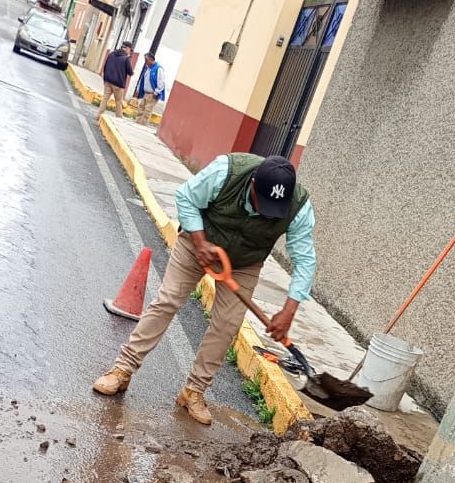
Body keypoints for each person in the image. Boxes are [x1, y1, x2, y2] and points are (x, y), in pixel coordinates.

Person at [93, 153, 316, 425]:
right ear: (252, 184)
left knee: (227, 324)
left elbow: (305, 260)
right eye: (262, 203)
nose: (265, 213)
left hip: (245, 261)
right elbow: (186, 198)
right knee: (167, 301)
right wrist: (200, 242)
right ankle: (122, 370)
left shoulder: (298, 207)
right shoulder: (225, 172)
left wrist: (289, 311)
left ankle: (193, 392)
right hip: (198, 240)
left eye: (273, 210)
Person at [98, 40, 133, 119]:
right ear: (127, 48)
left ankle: (99, 115)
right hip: (118, 84)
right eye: (130, 50)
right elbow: (130, 72)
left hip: (108, 81)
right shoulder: (126, 58)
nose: (130, 52)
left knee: (105, 99)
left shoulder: (111, 54)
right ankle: (118, 119)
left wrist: (105, 79)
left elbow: (105, 66)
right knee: (118, 102)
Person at [134, 51, 165, 125]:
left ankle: (143, 124)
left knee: (147, 111)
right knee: (141, 108)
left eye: (146, 60)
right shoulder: (148, 68)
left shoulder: (158, 69)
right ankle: (137, 123)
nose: (145, 62)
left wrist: (156, 92)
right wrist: (138, 89)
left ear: (151, 60)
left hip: (152, 94)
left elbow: (161, 82)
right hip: (146, 93)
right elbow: (143, 80)